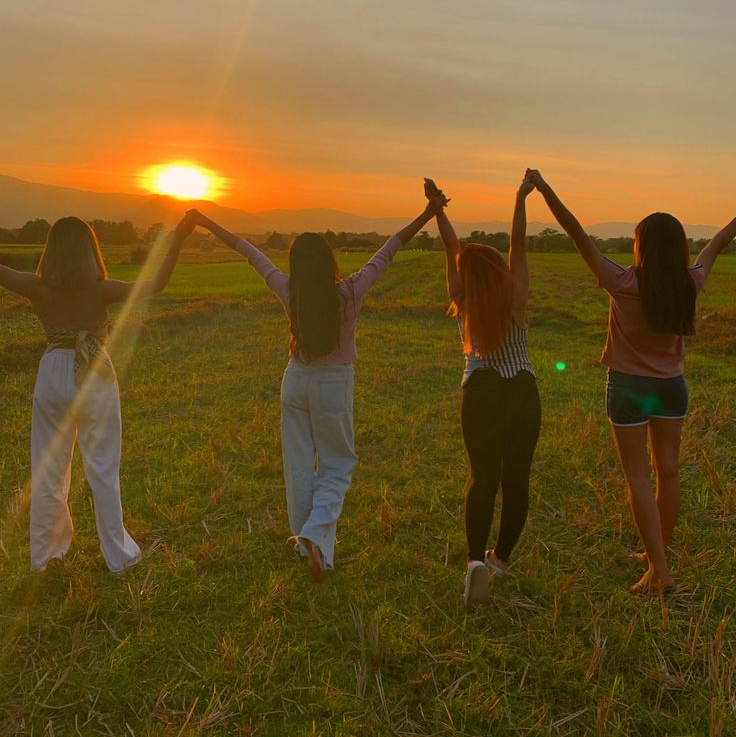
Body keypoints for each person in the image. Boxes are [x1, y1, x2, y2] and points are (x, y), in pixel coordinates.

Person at [186, 192, 448, 581]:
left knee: (298, 467)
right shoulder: (349, 291)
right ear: (328, 261)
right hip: (332, 384)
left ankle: (311, 548)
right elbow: (391, 248)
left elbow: (249, 251)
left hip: (294, 381)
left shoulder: (289, 290)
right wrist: (428, 213)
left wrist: (206, 222)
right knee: (338, 465)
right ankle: (312, 536)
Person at [527, 169, 736, 595]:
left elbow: (576, 233)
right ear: (679, 248)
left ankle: (659, 569)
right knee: (669, 472)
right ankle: (657, 554)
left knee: (639, 478)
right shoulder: (690, 283)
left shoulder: (622, 283)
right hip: (670, 389)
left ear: (641, 247)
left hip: (628, 391)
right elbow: (718, 242)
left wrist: (545, 189)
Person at [0, 215, 193, 573]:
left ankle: (44, 557)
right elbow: (158, 283)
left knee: (49, 469)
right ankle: (118, 555)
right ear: (91, 249)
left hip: (53, 372)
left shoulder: (36, 287)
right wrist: (178, 239)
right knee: (103, 467)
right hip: (95, 373)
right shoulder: (103, 290)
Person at [435, 174, 541, 609]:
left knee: (483, 478)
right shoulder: (516, 295)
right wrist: (519, 199)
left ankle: (474, 562)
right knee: (516, 481)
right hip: (522, 391)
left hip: (480, 390)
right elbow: (519, 243)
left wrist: (438, 210)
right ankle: (500, 560)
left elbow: (451, 248)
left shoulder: (463, 298)